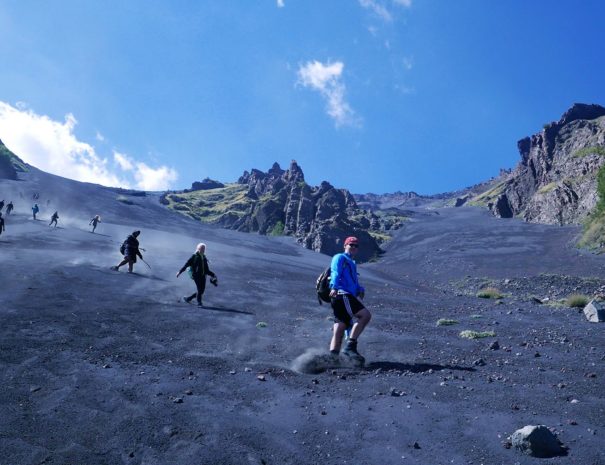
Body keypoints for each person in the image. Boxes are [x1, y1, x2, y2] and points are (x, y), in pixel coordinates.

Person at [328, 236, 372, 365]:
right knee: (365, 315)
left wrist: (360, 289)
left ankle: (333, 359)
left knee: (340, 326)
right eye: (351, 245)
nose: (353, 247)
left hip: (343, 295)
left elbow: (353, 281)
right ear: (345, 245)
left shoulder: (351, 262)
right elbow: (335, 272)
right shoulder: (340, 257)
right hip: (342, 294)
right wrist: (334, 287)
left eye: (356, 246)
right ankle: (350, 347)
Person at [176, 243, 217, 307]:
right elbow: (186, 264)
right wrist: (179, 272)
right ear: (198, 249)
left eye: (204, 249)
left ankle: (188, 298)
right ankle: (199, 302)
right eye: (202, 248)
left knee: (201, 291)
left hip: (203, 276)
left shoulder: (204, 257)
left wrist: (213, 274)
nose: (203, 250)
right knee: (200, 290)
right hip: (196, 276)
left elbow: (206, 270)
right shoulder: (194, 256)